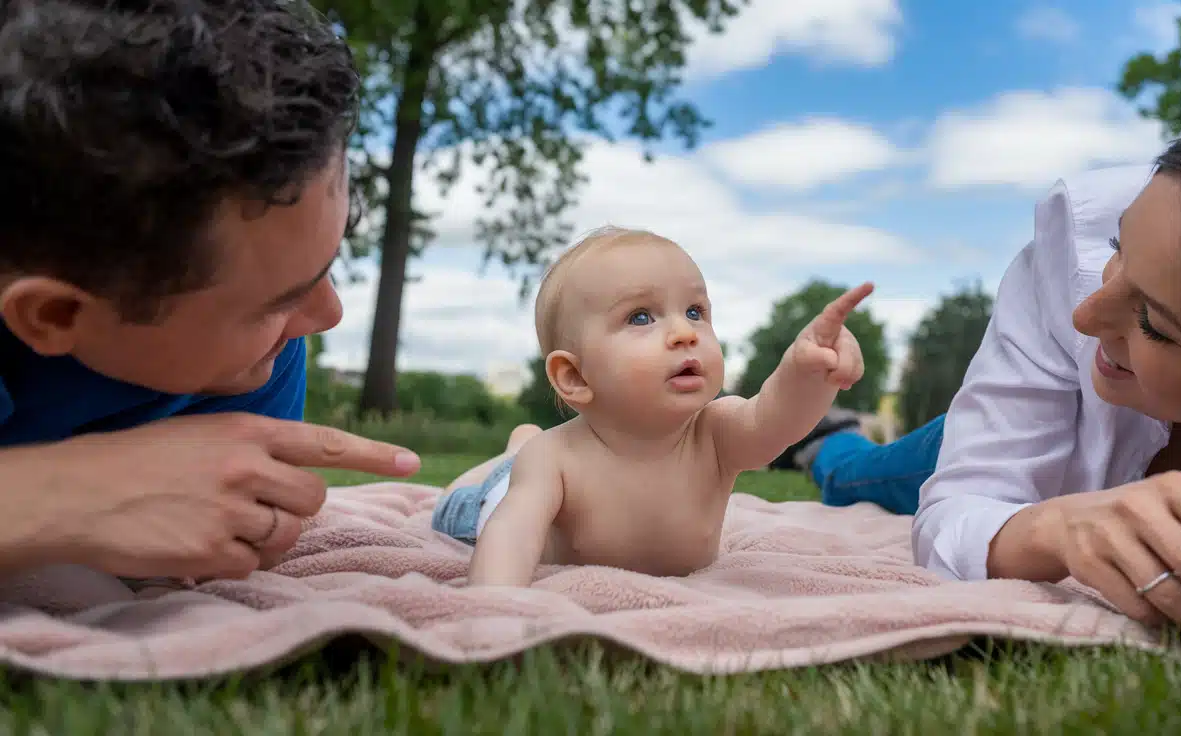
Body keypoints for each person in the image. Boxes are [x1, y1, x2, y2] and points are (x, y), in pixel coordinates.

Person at [776, 87, 1181, 636]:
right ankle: (826, 440)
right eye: (1116, 248)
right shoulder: (1079, 239)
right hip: (1016, 427)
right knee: (858, 476)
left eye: (1153, 322)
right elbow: (955, 513)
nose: (1084, 318)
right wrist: (1053, 528)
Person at [0, 0, 422, 584]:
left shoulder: (254, 363)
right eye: (277, 303)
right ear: (54, 313)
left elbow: (218, 551)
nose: (327, 314)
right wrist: (65, 494)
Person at [430, 228, 871, 586]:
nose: (684, 332)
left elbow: (776, 418)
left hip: (530, 470)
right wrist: (493, 606)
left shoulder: (717, 433)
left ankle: (516, 444)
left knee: (522, 456)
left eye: (695, 311)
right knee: (463, 503)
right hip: (501, 500)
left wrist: (806, 373)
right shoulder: (555, 457)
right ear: (575, 377)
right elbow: (511, 534)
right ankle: (512, 450)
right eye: (641, 317)